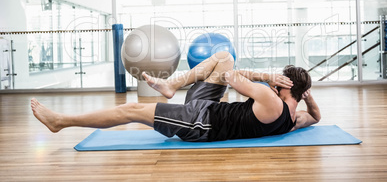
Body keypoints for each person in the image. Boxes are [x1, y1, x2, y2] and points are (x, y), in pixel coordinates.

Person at [31, 51, 321, 142]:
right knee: (224, 57)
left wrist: (265, 76)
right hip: (211, 108)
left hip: (200, 122)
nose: (274, 84)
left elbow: (230, 78)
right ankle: (170, 86)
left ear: (284, 87)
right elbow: (317, 118)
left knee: (130, 110)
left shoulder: (272, 100)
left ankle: (61, 121)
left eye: (279, 81)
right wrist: (308, 98)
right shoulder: (293, 119)